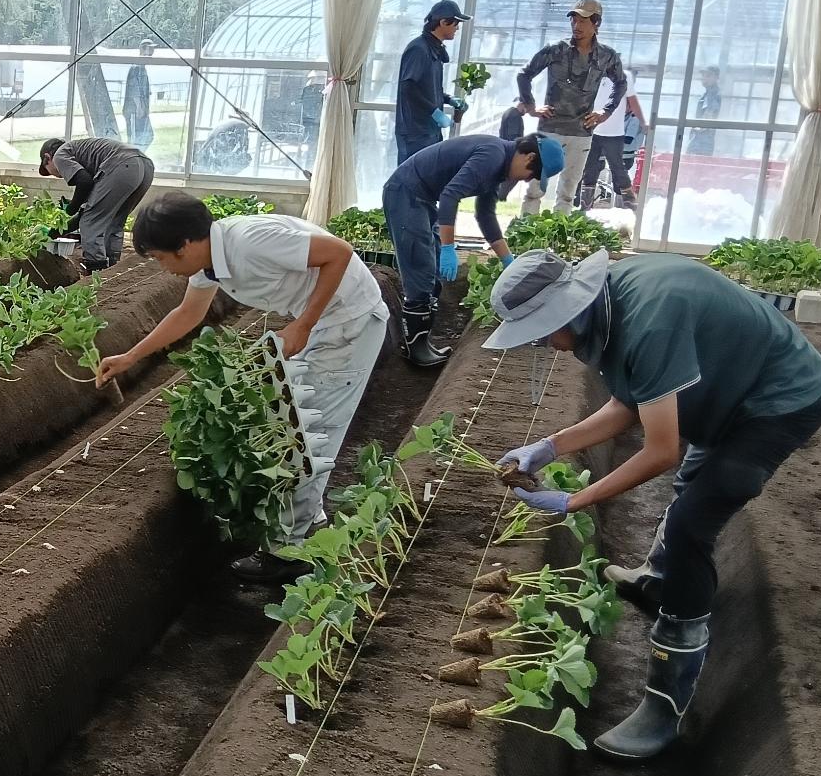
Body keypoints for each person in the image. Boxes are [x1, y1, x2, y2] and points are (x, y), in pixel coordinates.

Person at [483, 250, 821, 761]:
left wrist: (576, 500)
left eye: (541, 332)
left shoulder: (648, 321)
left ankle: (666, 703)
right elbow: (628, 402)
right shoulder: (610, 306)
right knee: (696, 478)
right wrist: (550, 446)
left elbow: (661, 450)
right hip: (724, 388)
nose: (543, 345)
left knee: (695, 520)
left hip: (777, 401)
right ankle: (658, 579)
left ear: (567, 311)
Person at [95, 193, 387, 581]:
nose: (164, 269)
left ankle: (289, 552)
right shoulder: (209, 262)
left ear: (185, 245)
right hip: (322, 322)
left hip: (348, 323)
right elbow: (188, 313)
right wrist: (130, 357)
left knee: (306, 431)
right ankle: (309, 519)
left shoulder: (251, 241)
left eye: (162, 258)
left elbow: (339, 252)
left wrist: (304, 324)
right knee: (292, 420)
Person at [381, 132, 562, 368]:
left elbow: (485, 216)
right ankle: (414, 348)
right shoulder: (492, 155)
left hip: (420, 199)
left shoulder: (497, 168)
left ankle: (421, 342)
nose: (528, 180)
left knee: (432, 271)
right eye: (533, 174)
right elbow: (450, 194)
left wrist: (508, 260)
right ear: (528, 158)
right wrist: (448, 247)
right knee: (420, 268)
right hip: (405, 193)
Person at [515, 0, 628, 215]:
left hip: (581, 132)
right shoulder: (556, 50)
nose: (576, 26)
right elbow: (524, 75)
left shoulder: (607, 56)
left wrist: (605, 112)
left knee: (568, 192)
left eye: (583, 21)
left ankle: (557, 240)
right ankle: (525, 235)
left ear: (596, 24)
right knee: (535, 188)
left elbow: (620, 83)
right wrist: (531, 107)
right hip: (549, 130)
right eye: (574, 20)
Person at [37, 135, 154, 272]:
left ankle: (96, 269)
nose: (59, 176)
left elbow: (84, 183)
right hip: (144, 166)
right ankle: (111, 267)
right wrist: (56, 231)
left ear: (47, 158)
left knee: (90, 222)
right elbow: (87, 210)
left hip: (121, 164)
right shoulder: (84, 155)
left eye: (48, 170)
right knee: (115, 220)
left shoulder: (59, 155)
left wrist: (70, 209)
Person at [395, 0, 470, 165]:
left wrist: (448, 99)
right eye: (455, 23)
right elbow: (408, 87)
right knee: (412, 179)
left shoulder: (434, 49)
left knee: (428, 177)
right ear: (443, 22)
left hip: (429, 132)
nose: (457, 28)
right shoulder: (419, 49)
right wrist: (434, 112)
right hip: (415, 133)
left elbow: (427, 88)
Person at [579, 77, 646, 211]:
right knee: (590, 170)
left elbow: (628, 140)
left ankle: (629, 206)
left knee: (619, 173)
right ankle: (585, 205)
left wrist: (644, 122)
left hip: (621, 149)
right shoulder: (594, 76)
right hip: (595, 134)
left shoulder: (631, 119)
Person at [123, 43, 156, 150]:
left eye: (153, 49)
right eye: (149, 48)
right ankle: (133, 161)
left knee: (148, 135)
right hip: (134, 111)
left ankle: (139, 158)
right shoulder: (136, 67)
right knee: (134, 140)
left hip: (142, 110)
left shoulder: (142, 67)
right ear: (142, 49)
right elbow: (134, 89)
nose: (152, 52)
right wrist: (139, 107)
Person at [689, 66, 721, 156]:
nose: (704, 78)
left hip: (703, 141)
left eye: (708, 75)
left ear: (716, 78)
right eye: (703, 75)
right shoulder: (706, 94)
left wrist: (696, 129)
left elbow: (709, 116)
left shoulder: (714, 95)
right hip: (700, 140)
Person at [299, 74, 324, 161]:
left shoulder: (321, 90)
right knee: (310, 141)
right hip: (307, 119)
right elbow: (302, 102)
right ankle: (309, 158)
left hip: (317, 120)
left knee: (315, 141)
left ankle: (312, 158)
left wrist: (318, 116)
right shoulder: (307, 90)